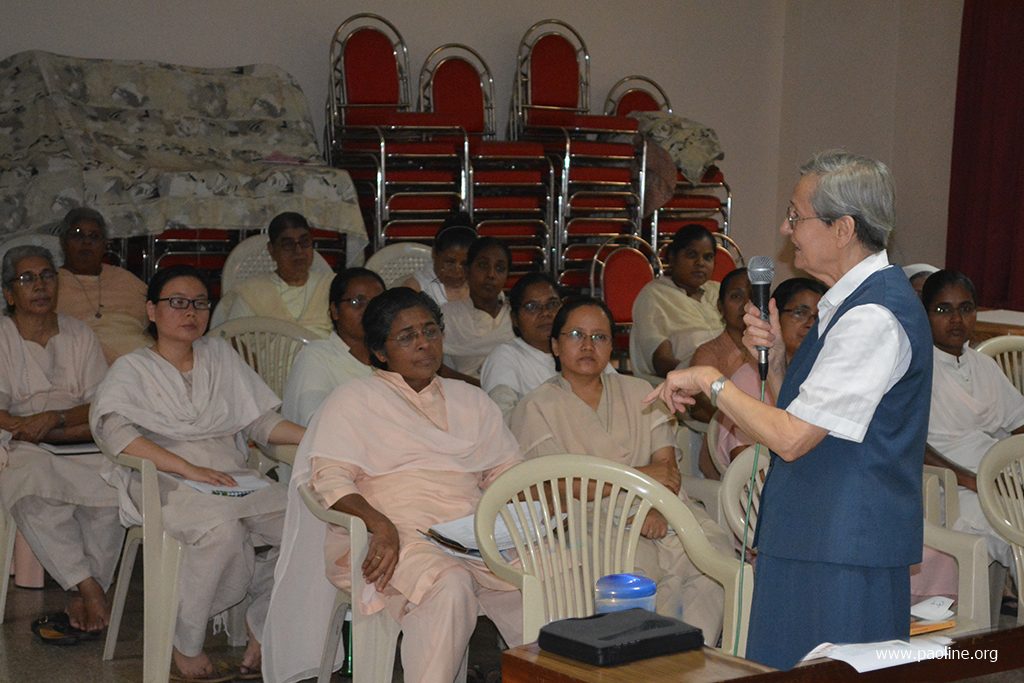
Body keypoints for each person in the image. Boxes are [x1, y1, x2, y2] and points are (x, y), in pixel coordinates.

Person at [648, 151, 932, 669]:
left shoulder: (872, 316)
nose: (785, 229)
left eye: (796, 216)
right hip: (813, 535)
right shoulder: (846, 305)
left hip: (841, 548)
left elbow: (793, 438)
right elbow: (813, 422)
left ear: (843, 229)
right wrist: (778, 362)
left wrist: (711, 380)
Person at [263, 288, 523, 683]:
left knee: (550, 577)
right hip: (392, 535)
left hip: (473, 533)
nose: (424, 344)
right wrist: (379, 524)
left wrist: (525, 520)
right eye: (407, 337)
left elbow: (508, 472)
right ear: (380, 352)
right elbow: (329, 479)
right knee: (449, 584)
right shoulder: (354, 399)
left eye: (430, 331)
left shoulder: (472, 400)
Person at [90, 265, 306, 681]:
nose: (190, 312)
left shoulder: (220, 357)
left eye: (200, 303)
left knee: (305, 526)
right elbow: (116, 433)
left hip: (230, 476)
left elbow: (260, 422)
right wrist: (189, 469)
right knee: (222, 532)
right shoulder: (133, 368)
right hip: (165, 478)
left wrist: (317, 435)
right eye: (177, 303)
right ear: (151, 311)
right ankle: (185, 641)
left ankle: (263, 623)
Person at [509, 297, 732, 644]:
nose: (588, 345)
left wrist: (655, 508)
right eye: (576, 335)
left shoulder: (639, 391)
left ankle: (687, 655)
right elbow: (563, 484)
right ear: (555, 345)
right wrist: (643, 480)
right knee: (633, 566)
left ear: (612, 346)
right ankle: (643, 658)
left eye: (599, 337)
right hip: (588, 517)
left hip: (660, 507)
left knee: (713, 557)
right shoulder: (536, 406)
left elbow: (667, 469)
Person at [0, 245, 121, 635]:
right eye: (27, 279)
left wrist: (55, 420)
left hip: (76, 434)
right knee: (29, 482)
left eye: (47, 276)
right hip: (24, 442)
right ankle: (87, 587)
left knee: (114, 484)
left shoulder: (78, 333)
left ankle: (85, 589)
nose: (40, 286)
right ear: (9, 294)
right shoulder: (2, 337)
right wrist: (27, 427)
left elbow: (100, 404)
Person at [922, 269, 1024, 571]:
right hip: (952, 487)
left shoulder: (984, 365)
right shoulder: (916, 369)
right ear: (924, 314)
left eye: (965, 308)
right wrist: (974, 480)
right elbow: (914, 445)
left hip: (1002, 479)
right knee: (1014, 532)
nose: (956, 320)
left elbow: (1019, 422)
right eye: (943, 310)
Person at [706, 277, 826, 477]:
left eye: (819, 316)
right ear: (773, 318)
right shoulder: (751, 378)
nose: (810, 324)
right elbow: (745, 464)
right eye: (800, 313)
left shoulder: (823, 375)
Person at [282, 267, 385, 426]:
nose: (370, 311)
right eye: (357, 302)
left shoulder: (393, 356)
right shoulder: (316, 357)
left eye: (377, 303)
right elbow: (316, 423)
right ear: (335, 310)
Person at [212, 212, 333, 338]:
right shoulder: (252, 292)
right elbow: (233, 338)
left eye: (304, 242)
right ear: (271, 250)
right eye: (288, 244)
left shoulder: (330, 285)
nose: (298, 251)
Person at [630, 224, 724, 382]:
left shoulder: (718, 291)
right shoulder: (654, 295)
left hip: (726, 379)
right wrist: (699, 378)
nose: (700, 263)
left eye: (708, 257)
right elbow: (661, 362)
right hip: (681, 385)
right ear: (672, 257)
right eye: (692, 255)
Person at [55, 207, 149, 362]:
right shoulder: (50, 283)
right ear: (63, 242)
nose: (86, 242)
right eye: (78, 235)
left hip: (143, 363)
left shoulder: (124, 278)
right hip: (84, 364)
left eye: (94, 236)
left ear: (104, 244)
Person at [440, 237, 514, 378]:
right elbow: (435, 366)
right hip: (463, 389)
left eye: (499, 268)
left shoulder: (516, 317)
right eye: (483, 265)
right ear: (467, 270)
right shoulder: (447, 316)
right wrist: (477, 386)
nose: (491, 275)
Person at [687, 267, 752, 423]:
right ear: (720, 306)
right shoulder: (708, 354)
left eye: (755, 296)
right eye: (736, 296)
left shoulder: (773, 349)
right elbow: (705, 406)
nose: (746, 304)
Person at [401, 212, 475, 306]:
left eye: (465, 264)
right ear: (434, 253)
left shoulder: (481, 287)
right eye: (450, 263)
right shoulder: (416, 289)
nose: (457, 271)